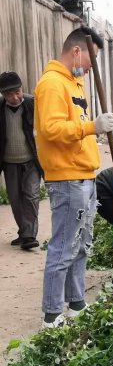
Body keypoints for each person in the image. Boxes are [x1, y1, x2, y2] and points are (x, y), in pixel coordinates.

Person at [35, 26, 113, 328]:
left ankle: (77, 302)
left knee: (81, 244)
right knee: (63, 246)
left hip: (84, 174)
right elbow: (51, 129)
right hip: (67, 178)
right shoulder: (52, 84)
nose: (91, 66)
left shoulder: (74, 83)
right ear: (77, 51)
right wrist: (92, 126)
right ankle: (52, 314)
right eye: (92, 58)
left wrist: (92, 129)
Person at [0, 71, 42, 250]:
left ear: (21, 88)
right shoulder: (0, 107)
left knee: (31, 195)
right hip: (9, 161)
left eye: (17, 92)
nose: (15, 97)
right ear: (3, 94)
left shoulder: (33, 103)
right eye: (9, 94)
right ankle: (24, 232)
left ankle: (29, 236)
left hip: (31, 160)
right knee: (16, 200)